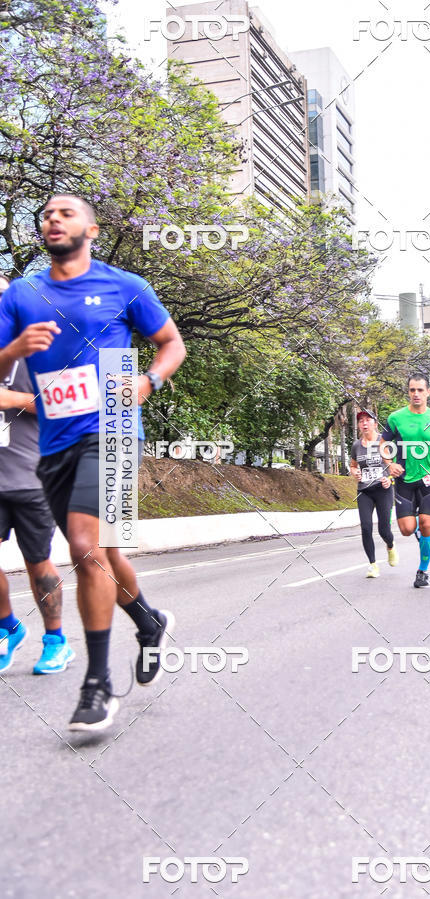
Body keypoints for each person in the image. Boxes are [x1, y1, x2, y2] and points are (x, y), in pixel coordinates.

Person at [0, 195, 186, 729]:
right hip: (54, 447)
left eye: (65, 212)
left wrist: (148, 381)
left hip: (116, 432)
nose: (53, 219)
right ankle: (149, 621)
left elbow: (171, 343)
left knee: (84, 546)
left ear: (92, 229)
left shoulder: (126, 286)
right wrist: (14, 350)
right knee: (99, 553)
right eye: (46, 215)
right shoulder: (23, 293)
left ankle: (98, 685)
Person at [0, 275, 74, 674]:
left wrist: (13, 398)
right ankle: (8, 627)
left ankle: (56, 641)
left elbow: (70, 402)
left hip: (32, 476)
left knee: (37, 563)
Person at [380, 373, 430, 588]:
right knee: (407, 529)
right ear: (408, 392)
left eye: (420, 390)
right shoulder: (396, 418)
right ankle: (419, 533)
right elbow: (382, 444)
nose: (416, 394)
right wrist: (390, 463)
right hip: (405, 479)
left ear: (428, 392)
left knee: (427, 523)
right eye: (412, 390)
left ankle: (423, 571)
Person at [350, 410, 397, 578]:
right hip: (365, 491)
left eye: (367, 420)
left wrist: (389, 478)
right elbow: (353, 465)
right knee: (366, 527)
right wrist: (355, 472)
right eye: (361, 421)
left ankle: (390, 546)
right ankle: (373, 565)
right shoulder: (356, 445)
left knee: (384, 530)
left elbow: (395, 467)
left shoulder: (384, 443)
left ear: (375, 424)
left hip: (383, 490)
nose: (364, 423)